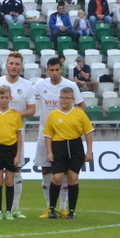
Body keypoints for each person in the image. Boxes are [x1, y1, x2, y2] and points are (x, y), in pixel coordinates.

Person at [32, 57, 84, 218]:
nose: (54, 73)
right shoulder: (40, 85)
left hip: (65, 136)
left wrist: (74, 121)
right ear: (47, 70)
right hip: (45, 134)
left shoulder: (71, 86)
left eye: (56, 70)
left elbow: (81, 105)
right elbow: (28, 99)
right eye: (51, 70)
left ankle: (63, 207)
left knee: (67, 173)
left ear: (61, 69)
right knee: (46, 169)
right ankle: (50, 207)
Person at [43, 88, 94, 219]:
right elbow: (48, 135)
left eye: (66, 98)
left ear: (73, 100)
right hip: (58, 146)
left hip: (75, 146)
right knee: (57, 178)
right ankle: (52, 209)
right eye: (61, 98)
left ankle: (71, 211)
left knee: (73, 178)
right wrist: (49, 152)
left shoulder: (79, 114)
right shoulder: (53, 115)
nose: (63, 100)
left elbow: (88, 132)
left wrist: (89, 151)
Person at [0, 85, 25, 220]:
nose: (4, 100)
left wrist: (18, 154)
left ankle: (9, 210)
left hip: (11, 149)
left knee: (9, 180)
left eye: (7, 97)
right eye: (2, 97)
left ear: (10, 98)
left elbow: (19, 136)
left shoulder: (15, 115)